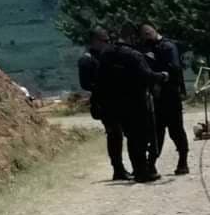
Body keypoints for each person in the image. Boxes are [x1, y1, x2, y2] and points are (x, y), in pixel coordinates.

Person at [98, 23, 168, 183]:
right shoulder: (134, 55)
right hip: (135, 102)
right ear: (132, 37)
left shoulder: (106, 54)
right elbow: (147, 76)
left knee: (120, 137)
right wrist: (162, 76)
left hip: (113, 103)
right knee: (138, 139)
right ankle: (141, 171)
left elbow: (100, 79)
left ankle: (120, 169)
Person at [78, 27, 129, 180]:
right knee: (114, 134)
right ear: (95, 40)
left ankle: (125, 167)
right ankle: (118, 168)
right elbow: (85, 84)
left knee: (123, 133)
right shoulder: (87, 59)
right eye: (104, 40)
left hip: (117, 99)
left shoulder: (107, 56)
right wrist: (105, 86)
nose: (107, 43)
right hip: (103, 102)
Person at [140, 22, 190, 176]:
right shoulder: (145, 48)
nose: (147, 36)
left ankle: (183, 161)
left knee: (176, 130)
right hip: (155, 96)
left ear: (155, 30)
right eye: (144, 34)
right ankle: (151, 164)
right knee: (156, 132)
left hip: (170, 94)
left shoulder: (168, 47)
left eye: (149, 32)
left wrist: (160, 76)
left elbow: (174, 68)